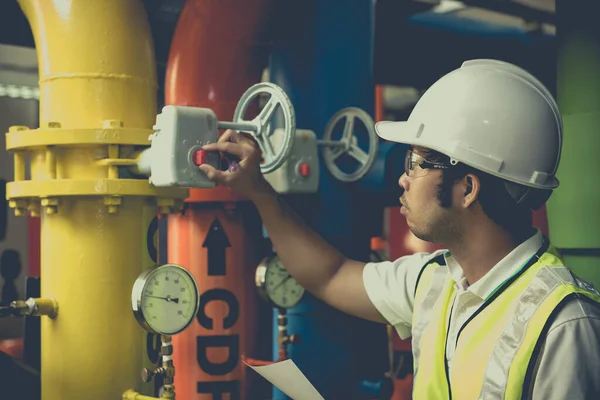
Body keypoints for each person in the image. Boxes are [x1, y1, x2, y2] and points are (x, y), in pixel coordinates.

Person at [199, 59, 600, 399]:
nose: (403, 180)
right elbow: (329, 274)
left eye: (416, 163)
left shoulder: (563, 325)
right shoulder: (435, 282)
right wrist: (258, 191)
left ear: (467, 188)